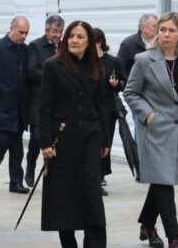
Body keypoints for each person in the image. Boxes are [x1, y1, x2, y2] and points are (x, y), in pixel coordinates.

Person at [124, 12, 178, 248]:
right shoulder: (143, 59)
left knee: (163, 180)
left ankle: (147, 224)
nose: (165, 34)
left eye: (171, 30)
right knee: (164, 183)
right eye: (162, 30)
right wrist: (149, 116)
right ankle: (174, 237)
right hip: (155, 132)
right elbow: (130, 93)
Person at [40, 20, 110, 248]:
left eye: (80, 36)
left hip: (90, 136)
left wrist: (105, 139)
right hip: (62, 140)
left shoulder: (96, 67)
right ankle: (68, 243)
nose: (74, 40)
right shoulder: (53, 66)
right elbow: (45, 107)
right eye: (71, 36)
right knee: (64, 195)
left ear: (89, 41)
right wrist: (45, 142)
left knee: (91, 190)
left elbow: (102, 106)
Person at [0, 16, 30, 194]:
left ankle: (16, 181)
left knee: (17, 148)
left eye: (26, 33)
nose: (24, 36)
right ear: (11, 29)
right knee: (2, 143)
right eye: (21, 32)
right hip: (1, 106)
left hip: (19, 107)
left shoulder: (25, 51)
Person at [25, 15, 64, 188]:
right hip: (39, 101)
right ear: (47, 30)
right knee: (37, 137)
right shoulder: (35, 46)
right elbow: (31, 71)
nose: (58, 35)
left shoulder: (64, 47)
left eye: (61, 31)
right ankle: (31, 165)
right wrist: (53, 77)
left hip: (59, 102)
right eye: (55, 31)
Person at [93, 28, 127, 196]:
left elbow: (126, 83)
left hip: (107, 109)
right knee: (92, 143)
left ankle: (99, 177)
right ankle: (93, 178)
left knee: (104, 143)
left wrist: (116, 85)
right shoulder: (84, 61)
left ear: (99, 42)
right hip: (89, 109)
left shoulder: (113, 62)